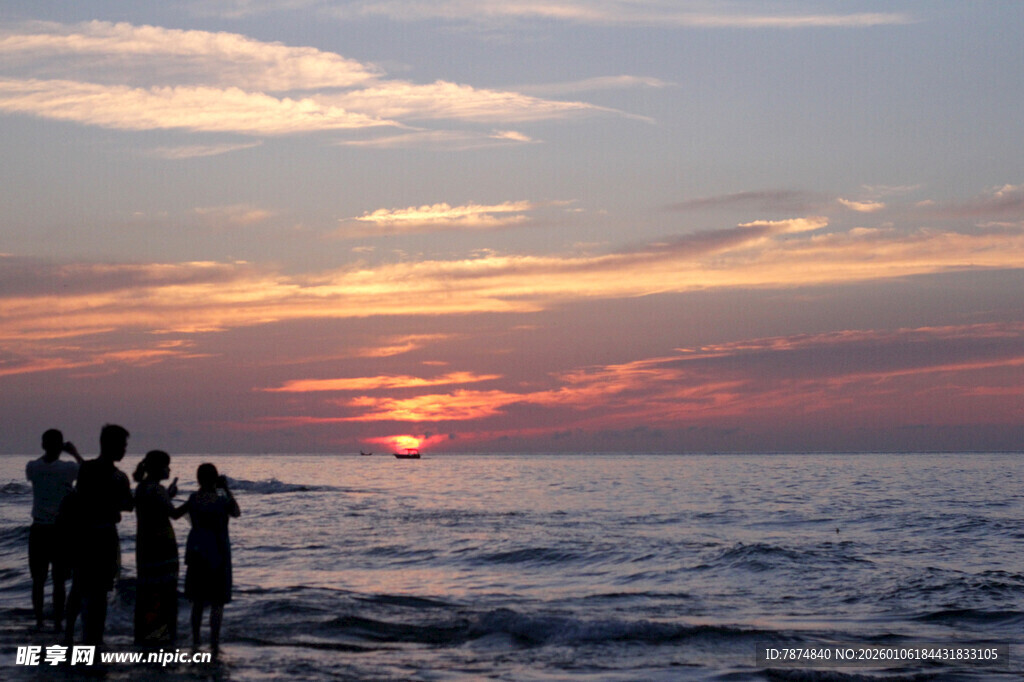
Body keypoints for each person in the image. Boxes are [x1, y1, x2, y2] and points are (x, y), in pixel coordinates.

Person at [64, 424, 135, 646]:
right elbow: (127, 505)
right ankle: (93, 638)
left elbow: (90, 487)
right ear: (111, 445)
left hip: (88, 536)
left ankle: (73, 635)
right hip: (100, 537)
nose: (125, 450)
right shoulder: (117, 477)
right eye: (122, 446)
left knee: (82, 587)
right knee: (97, 590)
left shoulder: (90, 470)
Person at [178, 463, 240, 654]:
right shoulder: (221, 499)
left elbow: (178, 513)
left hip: (197, 551)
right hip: (218, 551)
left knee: (197, 600)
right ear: (215, 478)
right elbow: (236, 512)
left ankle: (196, 639)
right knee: (217, 600)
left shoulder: (194, 498)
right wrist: (225, 489)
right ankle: (214, 641)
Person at [25, 429, 82, 631]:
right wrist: (74, 452)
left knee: (38, 580)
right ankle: (58, 622)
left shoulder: (32, 467)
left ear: (43, 444)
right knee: (59, 581)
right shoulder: (68, 468)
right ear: (61, 446)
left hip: (38, 528)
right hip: (60, 530)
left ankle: (39, 621)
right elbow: (89, 475)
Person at [133, 450, 181, 645]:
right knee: (166, 593)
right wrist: (193, 502)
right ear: (158, 468)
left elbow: (155, 507)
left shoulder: (142, 488)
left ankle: (144, 634)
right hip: (163, 546)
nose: (169, 469)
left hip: (145, 546)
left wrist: (168, 495)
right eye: (166, 465)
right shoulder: (157, 490)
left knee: (147, 593)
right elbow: (174, 515)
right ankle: (165, 634)